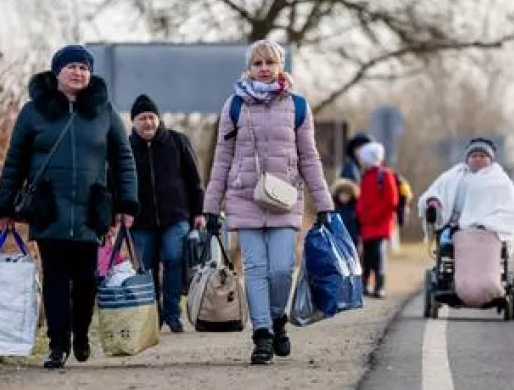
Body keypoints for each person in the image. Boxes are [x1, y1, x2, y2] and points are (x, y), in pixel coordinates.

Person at [0, 44, 139, 369]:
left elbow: (124, 159)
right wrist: (5, 208)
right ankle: (58, 346)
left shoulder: (104, 112)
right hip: (48, 210)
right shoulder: (34, 112)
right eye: (71, 66)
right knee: (55, 278)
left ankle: (82, 334)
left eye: (84, 67)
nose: (78, 72)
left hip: (91, 211)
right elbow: (14, 161)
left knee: (86, 279)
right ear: (57, 72)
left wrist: (126, 203)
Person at [203, 39, 334, 365]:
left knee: (281, 269)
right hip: (244, 197)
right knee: (256, 268)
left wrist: (324, 203)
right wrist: (210, 205)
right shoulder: (234, 105)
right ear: (250, 68)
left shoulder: (298, 106)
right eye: (257, 64)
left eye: (269, 63)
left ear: (280, 67)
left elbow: (309, 158)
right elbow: (222, 158)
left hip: (285, 199)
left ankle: (277, 320)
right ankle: (261, 334)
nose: (263, 69)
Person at [129, 94, 206, 333]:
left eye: (151, 117)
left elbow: (195, 180)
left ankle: (173, 313)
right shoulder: (126, 148)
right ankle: (152, 315)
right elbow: (116, 183)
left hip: (176, 216)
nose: (148, 123)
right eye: (142, 118)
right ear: (134, 122)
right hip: (141, 220)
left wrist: (199, 211)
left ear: (158, 118)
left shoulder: (177, 141)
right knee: (146, 267)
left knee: (174, 258)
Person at [417, 137, 514, 253]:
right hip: (455, 226)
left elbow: (510, 212)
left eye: (482, 156)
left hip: (487, 231)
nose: (477, 159)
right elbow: (435, 190)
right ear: (467, 159)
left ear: (490, 160)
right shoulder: (453, 175)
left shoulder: (501, 181)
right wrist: (433, 200)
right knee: (448, 238)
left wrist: (487, 225)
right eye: (474, 156)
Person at [355, 142, 398, 298]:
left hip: (380, 224)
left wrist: (375, 214)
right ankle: (365, 285)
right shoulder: (366, 176)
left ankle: (380, 286)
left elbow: (392, 200)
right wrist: (360, 214)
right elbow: (362, 199)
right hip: (367, 225)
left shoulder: (384, 175)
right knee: (367, 256)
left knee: (378, 256)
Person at [331, 177, 360, 248]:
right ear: (338, 194)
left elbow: (358, 225)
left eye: (347, 194)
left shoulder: (355, 209)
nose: (344, 197)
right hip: (337, 241)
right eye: (342, 194)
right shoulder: (334, 209)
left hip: (352, 240)